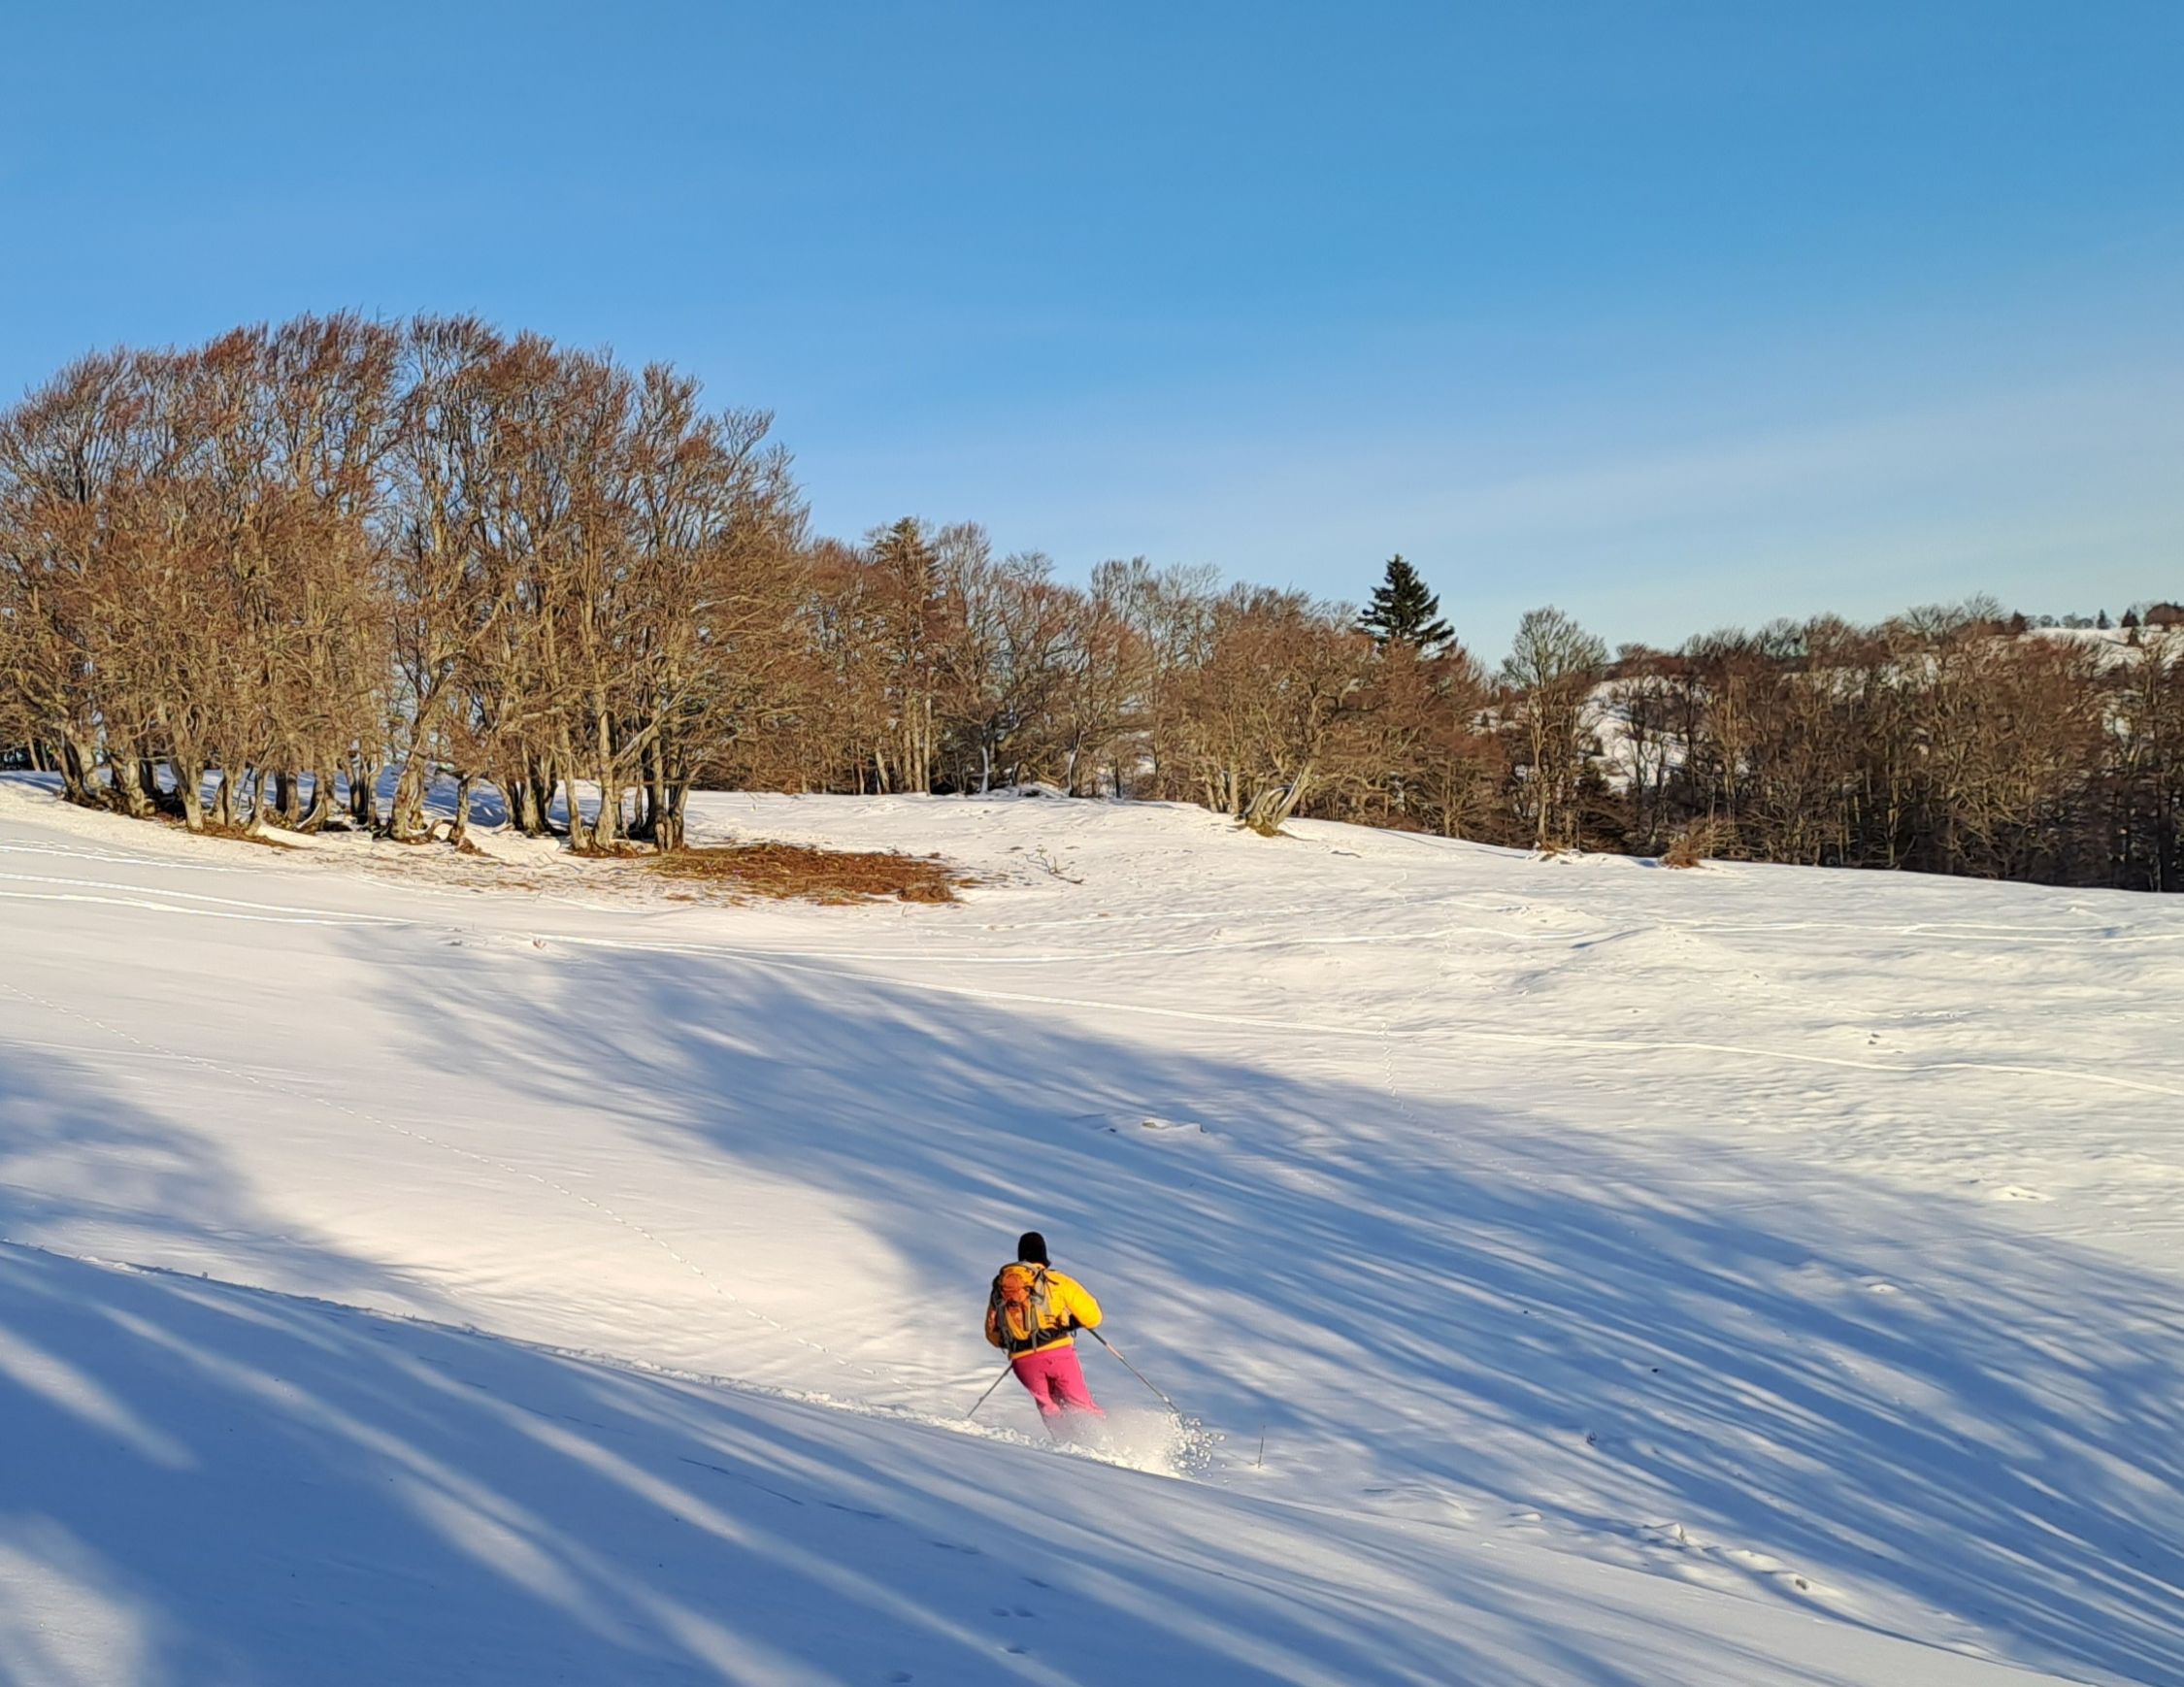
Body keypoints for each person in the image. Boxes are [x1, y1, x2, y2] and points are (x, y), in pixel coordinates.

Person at [984, 1230, 1106, 1434]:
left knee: (1049, 1408)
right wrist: (1070, 1324)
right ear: (1043, 1255)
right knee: (1080, 1404)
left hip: (1023, 1362)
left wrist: (1018, 1340)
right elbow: (1093, 1316)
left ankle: (1064, 1442)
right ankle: (1103, 1438)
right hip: (1058, 1353)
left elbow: (992, 1335)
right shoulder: (1056, 1280)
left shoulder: (1002, 1287)